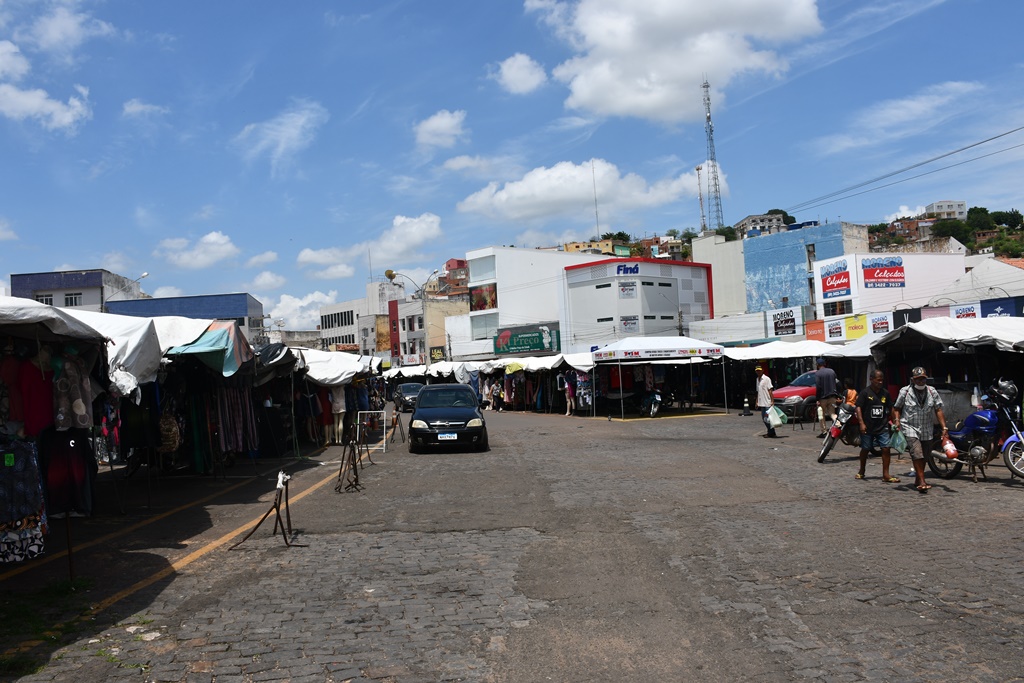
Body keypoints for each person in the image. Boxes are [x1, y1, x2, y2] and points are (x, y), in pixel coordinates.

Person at [892, 366, 949, 492]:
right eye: (918, 379)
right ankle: (922, 481)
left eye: (923, 379)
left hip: (926, 428)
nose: (921, 381)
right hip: (910, 427)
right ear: (913, 380)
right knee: (917, 452)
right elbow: (896, 408)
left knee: (925, 455)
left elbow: (938, 409)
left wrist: (944, 427)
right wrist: (897, 421)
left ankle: (918, 478)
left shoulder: (932, 391)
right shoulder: (905, 391)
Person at [854, 370, 898, 482]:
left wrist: (896, 421)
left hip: (882, 426)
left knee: (886, 448)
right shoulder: (865, 393)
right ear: (871, 379)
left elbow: (891, 407)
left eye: (882, 380)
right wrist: (861, 423)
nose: (880, 382)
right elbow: (858, 408)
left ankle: (886, 474)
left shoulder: (885, 393)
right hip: (868, 426)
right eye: (878, 380)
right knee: (866, 448)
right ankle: (862, 470)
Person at [815, 358, 839, 437]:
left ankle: (824, 431)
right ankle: (839, 425)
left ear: (817, 365)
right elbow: (837, 382)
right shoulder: (832, 371)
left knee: (821, 415)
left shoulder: (818, 373)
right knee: (832, 413)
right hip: (832, 396)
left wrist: (817, 399)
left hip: (823, 398)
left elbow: (818, 387)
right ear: (824, 364)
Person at [754, 366, 778, 438]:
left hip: (767, 402)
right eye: (757, 371)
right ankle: (771, 432)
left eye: (759, 370)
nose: (758, 372)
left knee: (767, 419)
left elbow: (770, 390)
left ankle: (771, 432)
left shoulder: (766, 379)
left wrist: (772, 401)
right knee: (764, 419)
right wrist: (757, 402)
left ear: (762, 370)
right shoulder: (757, 379)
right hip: (762, 402)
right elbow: (758, 392)